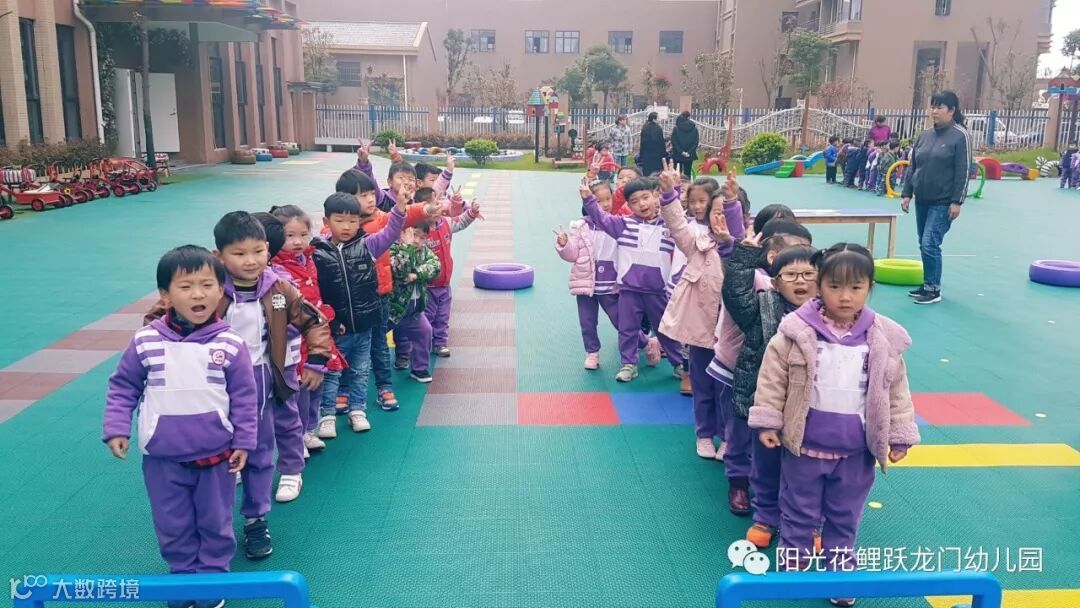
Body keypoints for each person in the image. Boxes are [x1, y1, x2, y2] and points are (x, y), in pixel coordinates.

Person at [749, 243, 919, 606]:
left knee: (844, 516)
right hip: (805, 447)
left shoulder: (882, 339)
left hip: (856, 452)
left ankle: (839, 574)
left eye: (855, 287)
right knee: (798, 512)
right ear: (819, 286)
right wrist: (768, 421)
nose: (845, 296)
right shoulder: (796, 333)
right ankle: (793, 570)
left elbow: (896, 389)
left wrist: (899, 434)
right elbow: (773, 379)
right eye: (835, 286)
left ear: (869, 288)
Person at [104, 246, 257, 608]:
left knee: (216, 523)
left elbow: (245, 398)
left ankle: (211, 584)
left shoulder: (231, 344)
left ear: (221, 290)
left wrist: (244, 441)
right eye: (186, 287)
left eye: (207, 285)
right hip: (163, 459)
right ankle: (182, 579)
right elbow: (123, 386)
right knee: (172, 524)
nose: (198, 294)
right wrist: (117, 427)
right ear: (165, 295)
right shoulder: (146, 341)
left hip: (216, 457)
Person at [722, 221, 816, 526]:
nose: (800, 281)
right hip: (762, 396)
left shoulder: (826, 315)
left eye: (809, 275)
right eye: (791, 275)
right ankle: (745, 490)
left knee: (800, 461)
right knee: (753, 449)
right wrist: (744, 258)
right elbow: (736, 296)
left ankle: (797, 514)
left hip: (805, 402)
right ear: (775, 282)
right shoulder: (763, 306)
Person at [336, 166, 445, 412]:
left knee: (379, 345)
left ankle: (384, 386)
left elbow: (401, 217)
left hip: (381, 295)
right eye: (363, 195)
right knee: (347, 345)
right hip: (350, 300)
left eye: (371, 193)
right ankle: (343, 389)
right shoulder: (337, 231)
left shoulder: (379, 219)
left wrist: (425, 209)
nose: (370, 198)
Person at [659, 172, 745, 459]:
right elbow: (677, 226)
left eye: (726, 212)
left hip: (732, 334)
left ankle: (729, 437)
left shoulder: (745, 248)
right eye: (715, 212)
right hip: (703, 330)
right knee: (703, 384)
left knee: (729, 388)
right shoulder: (698, 243)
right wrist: (669, 194)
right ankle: (705, 433)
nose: (719, 218)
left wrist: (732, 204)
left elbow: (738, 241)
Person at [313, 186, 407, 437]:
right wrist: (329, 322)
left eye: (352, 221)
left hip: (364, 326)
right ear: (326, 221)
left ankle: (358, 409)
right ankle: (327, 415)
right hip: (336, 329)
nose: (346, 226)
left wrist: (399, 208)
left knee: (360, 370)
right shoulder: (317, 252)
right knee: (332, 372)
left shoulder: (367, 245)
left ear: (360, 222)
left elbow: (390, 233)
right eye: (339, 220)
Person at [580, 161, 685, 382]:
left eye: (645, 197)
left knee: (665, 328)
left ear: (656, 196)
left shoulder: (668, 225)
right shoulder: (623, 225)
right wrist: (588, 199)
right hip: (629, 290)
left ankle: (679, 364)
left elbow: (678, 213)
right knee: (627, 329)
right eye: (634, 201)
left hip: (657, 290)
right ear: (628, 205)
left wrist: (672, 189)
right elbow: (601, 218)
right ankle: (629, 364)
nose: (641, 204)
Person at [269, 205, 347, 455]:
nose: (297, 241)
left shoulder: (310, 258)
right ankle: (296, 436)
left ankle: (309, 430)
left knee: (317, 384)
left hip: (316, 332)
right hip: (296, 337)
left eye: (303, 235)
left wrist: (328, 317)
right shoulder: (275, 268)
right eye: (289, 236)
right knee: (299, 391)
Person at [901, 90, 971, 305]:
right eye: (932, 106)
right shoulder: (925, 136)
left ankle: (933, 289)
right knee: (923, 243)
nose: (934, 111)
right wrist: (907, 193)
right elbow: (913, 166)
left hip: (943, 202)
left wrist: (957, 201)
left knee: (930, 242)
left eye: (940, 107)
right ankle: (927, 283)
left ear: (951, 110)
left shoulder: (960, 136)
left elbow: (963, 170)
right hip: (922, 198)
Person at [404, 186, 481, 359]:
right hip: (427, 285)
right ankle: (423, 343)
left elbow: (460, 221)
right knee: (427, 316)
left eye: (438, 203)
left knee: (443, 315)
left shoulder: (445, 223)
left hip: (445, 283)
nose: (437, 208)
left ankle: (440, 342)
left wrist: (473, 212)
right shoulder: (418, 233)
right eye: (432, 205)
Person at [389, 223, 442, 383]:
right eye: (414, 235)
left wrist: (416, 274)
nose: (417, 240)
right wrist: (406, 247)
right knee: (374, 338)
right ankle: (374, 367)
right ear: (403, 233)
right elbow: (399, 270)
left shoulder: (424, 252)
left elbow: (435, 265)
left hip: (413, 309)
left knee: (425, 331)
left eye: (422, 237)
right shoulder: (394, 249)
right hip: (391, 309)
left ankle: (419, 369)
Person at [670, 111, 700, 178]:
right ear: (688, 117)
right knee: (688, 172)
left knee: (678, 172)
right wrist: (689, 151)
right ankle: (687, 183)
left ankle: (677, 183)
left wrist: (681, 151)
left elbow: (674, 142)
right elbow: (696, 141)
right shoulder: (694, 128)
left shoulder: (676, 128)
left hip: (678, 154)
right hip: (690, 154)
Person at [638, 112, 667, 176]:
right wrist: (664, 153)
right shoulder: (658, 128)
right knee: (656, 171)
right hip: (657, 154)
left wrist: (641, 153)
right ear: (654, 119)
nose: (659, 119)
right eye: (658, 117)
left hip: (646, 153)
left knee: (647, 171)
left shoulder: (644, 128)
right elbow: (661, 142)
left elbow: (642, 142)